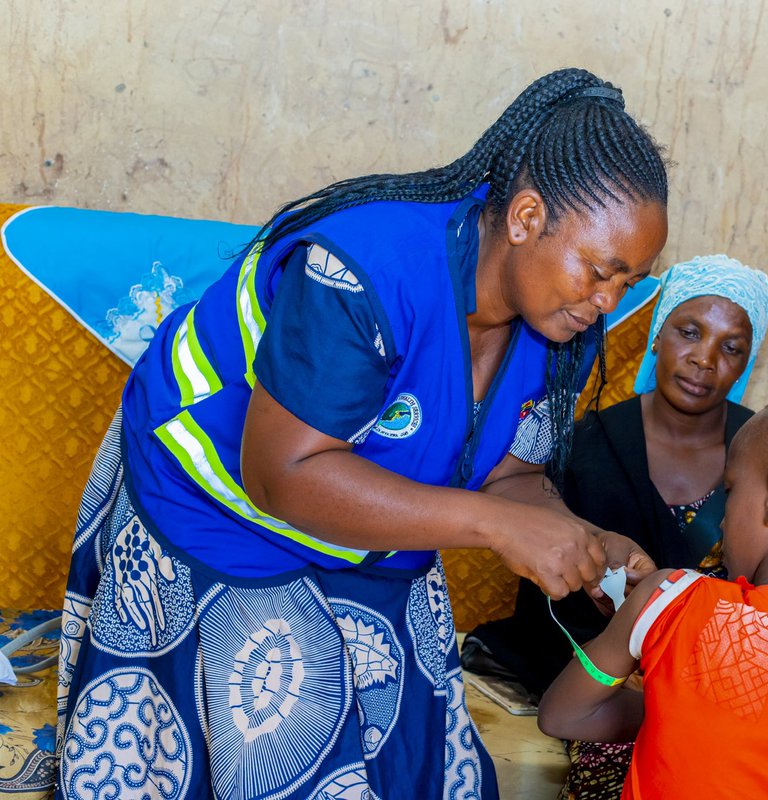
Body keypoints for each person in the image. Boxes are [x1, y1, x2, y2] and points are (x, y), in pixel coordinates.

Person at [55, 68, 669, 800]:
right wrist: (496, 525)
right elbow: (284, 475)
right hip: (218, 507)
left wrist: (581, 539)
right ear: (527, 218)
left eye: (628, 282)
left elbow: (512, 475)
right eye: (601, 271)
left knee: (423, 750)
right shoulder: (364, 270)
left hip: (374, 516)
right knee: (287, 734)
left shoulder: (562, 325)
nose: (607, 302)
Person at [538, 388, 768, 799]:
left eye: (730, 491)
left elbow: (561, 715)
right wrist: (683, 703)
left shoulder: (674, 601)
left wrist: (670, 687)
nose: (720, 523)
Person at [466, 255, 768, 699]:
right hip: (587, 682)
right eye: (689, 332)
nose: (705, 359)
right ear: (656, 336)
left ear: (747, 361)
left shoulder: (766, 458)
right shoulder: (587, 443)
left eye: (731, 348)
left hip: (712, 693)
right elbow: (549, 604)